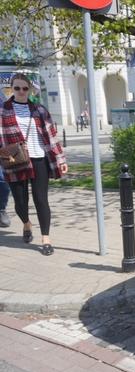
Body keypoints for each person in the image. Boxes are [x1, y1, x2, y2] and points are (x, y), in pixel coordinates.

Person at [0, 73, 68, 255]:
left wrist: (60, 159)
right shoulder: (2, 110)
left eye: (24, 88)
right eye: (17, 88)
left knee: (41, 199)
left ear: (29, 89)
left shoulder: (39, 110)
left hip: (39, 159)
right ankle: (26, 224)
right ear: (11, 89)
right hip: (15, 161)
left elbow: (52, 136)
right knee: (21, 202)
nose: (21, 91)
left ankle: (46, 239)